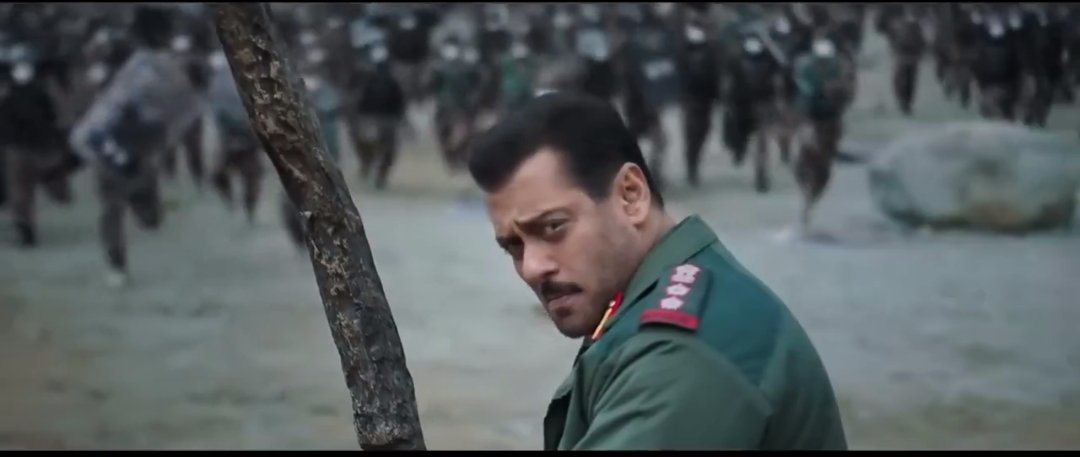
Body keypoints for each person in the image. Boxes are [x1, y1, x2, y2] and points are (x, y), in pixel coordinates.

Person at [466, 93, 847, 450]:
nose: (533, 268)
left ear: (630, 195)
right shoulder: (653, 300)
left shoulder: (679, 357)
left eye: (553, 227)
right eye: (513, 246)